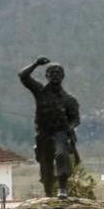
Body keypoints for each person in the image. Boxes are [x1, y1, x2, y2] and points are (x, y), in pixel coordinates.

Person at [18, 56, 80, 199]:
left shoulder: (69, 100)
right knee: (45, 163)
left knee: (61, 154)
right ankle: (48, 192)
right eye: (52, 73)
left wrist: (70, 127)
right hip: (44, 133)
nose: (55, 75)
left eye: (58, 73)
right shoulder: (40, 91)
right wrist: (35, 64)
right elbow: (23, 76)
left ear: (63, 76)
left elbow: (76, 119)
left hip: (60, 132)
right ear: (46, 75)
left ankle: (62, 188)